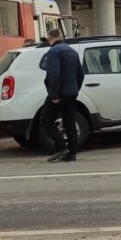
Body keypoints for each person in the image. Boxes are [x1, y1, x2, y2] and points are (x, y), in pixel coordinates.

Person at [41, 28, 85, 162]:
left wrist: (54, 95)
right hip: (71, 93)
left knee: (46, 120)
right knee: (69, 122)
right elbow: (80, 74)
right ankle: (72, 153)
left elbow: (54, 75)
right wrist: (75, 89)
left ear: (50, 38)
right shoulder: (72, 51)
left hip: (59, 93)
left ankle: (61, 148)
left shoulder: (54, 51)